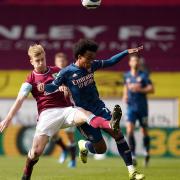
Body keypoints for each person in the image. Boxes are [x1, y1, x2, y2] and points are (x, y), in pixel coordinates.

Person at [0, 44, 122, 180]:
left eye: (42, 59)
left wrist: (66, 90)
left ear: (45, 57)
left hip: (66, 111)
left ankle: (110, 124)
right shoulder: (30, 80)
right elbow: (19, 101)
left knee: (85, 113)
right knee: (35, 153)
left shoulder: (58, 71)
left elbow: (72, 87)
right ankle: (26, 175)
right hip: (47, 115)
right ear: (31, 62)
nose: (40, 63)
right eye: (37, 60)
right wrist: (7, 119)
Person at [41, 39, 145, 180]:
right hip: (82, 114)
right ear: (79, 57)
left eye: (93, 58)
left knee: (117, 133)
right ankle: (84, 145)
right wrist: (43, 86)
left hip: (98, 107)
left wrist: (126, 52)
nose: (91, 61)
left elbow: (110, 61)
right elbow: (51, 87)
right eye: (88, 58)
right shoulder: (66, 73)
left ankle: (132, 171)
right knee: (101, 149)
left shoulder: (92, 65)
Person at [122, 53, 154, 167]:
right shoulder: (126, 75)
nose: (135, 62)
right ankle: (133, 155)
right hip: (131, 107)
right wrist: (125, 95)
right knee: (129, 129)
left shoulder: (144, 75)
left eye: (137, 60)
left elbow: (152, 89)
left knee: (144, 131)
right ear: (130, 63)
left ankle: (146, 152)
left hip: (142, 108)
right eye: (133, 60)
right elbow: (126, 86)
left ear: (139, 62)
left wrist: (140, 89)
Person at [53, 52, 77, 168]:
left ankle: (73, 160)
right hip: (56, 109)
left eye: (62, 61)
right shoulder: (53, 76)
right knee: (53, 135)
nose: (61, 63)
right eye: (59, 61)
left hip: (69, 109)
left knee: (70, 136)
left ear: (66, 62)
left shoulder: (70, 75)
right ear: (55, 63)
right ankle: (64, 149)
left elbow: (76, 91)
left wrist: (68, 91)